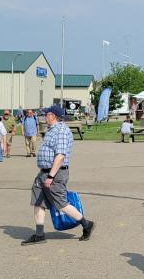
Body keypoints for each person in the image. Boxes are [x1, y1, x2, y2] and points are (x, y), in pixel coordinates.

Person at [21, 104, 94, 245]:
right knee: (38, 201)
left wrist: (51, 176)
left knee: (60, 203)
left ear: (53, 116)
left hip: (55, 173)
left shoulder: (61, 131)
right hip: (43, 172)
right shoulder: (52, 130)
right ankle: (39, 234)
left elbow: (60, 155)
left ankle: (86, 224)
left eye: (46, 114)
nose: (44, 116)